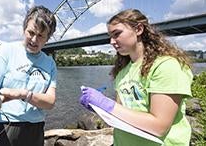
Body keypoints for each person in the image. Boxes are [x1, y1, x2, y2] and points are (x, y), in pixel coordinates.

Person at [79, 9, 193, 146]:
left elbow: (159, 127)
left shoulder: (166, 66)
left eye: (117, 34)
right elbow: (122, 111)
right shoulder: (122, 71)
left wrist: (106, 104)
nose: (111, 41)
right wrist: (100, 108)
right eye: (110, 36)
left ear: (138, 29)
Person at [0, 5, 57, 146]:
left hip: (34, 130)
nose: (34, 40)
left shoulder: (50, 63)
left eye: (41, 36)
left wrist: (21, 94)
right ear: (24, 29)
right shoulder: (6, 50)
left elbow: (50, 102)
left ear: (48, 38)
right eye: (31, 32)